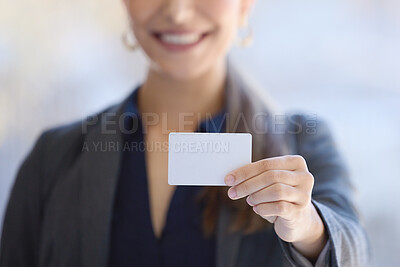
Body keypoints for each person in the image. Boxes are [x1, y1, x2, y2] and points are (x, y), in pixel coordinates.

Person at [0, 0, 369, 266]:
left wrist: (306, 227)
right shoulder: (54, 157)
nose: (177, 10)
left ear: (244, 5)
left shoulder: (303, 142)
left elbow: (356, 254)